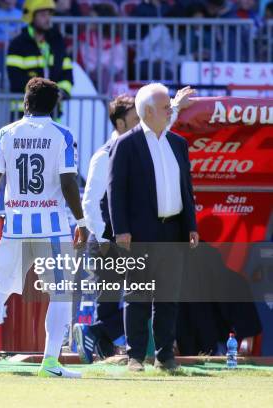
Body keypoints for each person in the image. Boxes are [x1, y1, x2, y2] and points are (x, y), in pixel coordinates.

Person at [0, 77, 88, 378]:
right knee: (60, 294)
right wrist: (81, 221)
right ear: (54, 106)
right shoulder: (62, 134)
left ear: (25, 102)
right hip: (53, 229)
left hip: (16, 226)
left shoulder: (6, 133)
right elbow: (69, 181)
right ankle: (49, 362)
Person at [72, 87, 195, 364]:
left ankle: (103, 343)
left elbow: (160, 124)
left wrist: (175, 105)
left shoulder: (158, 139)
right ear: (122, 122)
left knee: (139, 300)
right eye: (134, 116)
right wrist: (112, 238)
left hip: (138, 235)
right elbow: (92, 202)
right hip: (110, 241)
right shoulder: (108, 153)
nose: (140, 119)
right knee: (123, 302)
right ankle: (125, 353)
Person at [108, 83, 199, 372]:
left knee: (168, 298)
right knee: (137, 296)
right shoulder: (126, 144)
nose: (170, 110)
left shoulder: (178, 144)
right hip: (139, 233)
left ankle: (165, 357)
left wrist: (191, 226)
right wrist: (121, 230)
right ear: (147, 111)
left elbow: (186, 188)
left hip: (173, 231)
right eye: (165, 107)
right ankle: (135, 356)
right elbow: (115, 190)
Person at [6, 0, 74, 108]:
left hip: (52, 113)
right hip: (23, 113)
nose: (47, 19)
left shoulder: (57, 42)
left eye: (49, 15)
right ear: (31, 17)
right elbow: (16, 80)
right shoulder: (18, 44)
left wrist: (61, 92)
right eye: (42, 15)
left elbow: (67, 75)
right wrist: (44, 95)